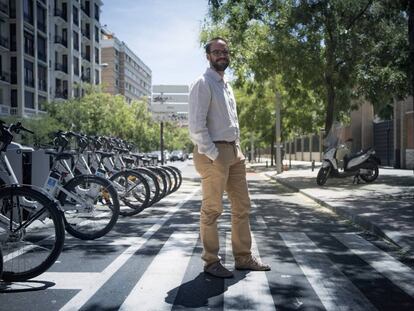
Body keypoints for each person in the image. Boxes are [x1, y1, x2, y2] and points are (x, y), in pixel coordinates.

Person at [188, 37, 270, 278]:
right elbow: (196, 127)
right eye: (216, 51)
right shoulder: (203, 83)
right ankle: (211, 262)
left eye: (225, 51)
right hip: (214, 152)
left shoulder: (226, 84)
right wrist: (214, 154)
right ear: (208, 56)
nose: (222, 55)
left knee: (242, 206)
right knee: (212, 209)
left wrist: (237, 150)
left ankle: (243, 258)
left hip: (234, 152)